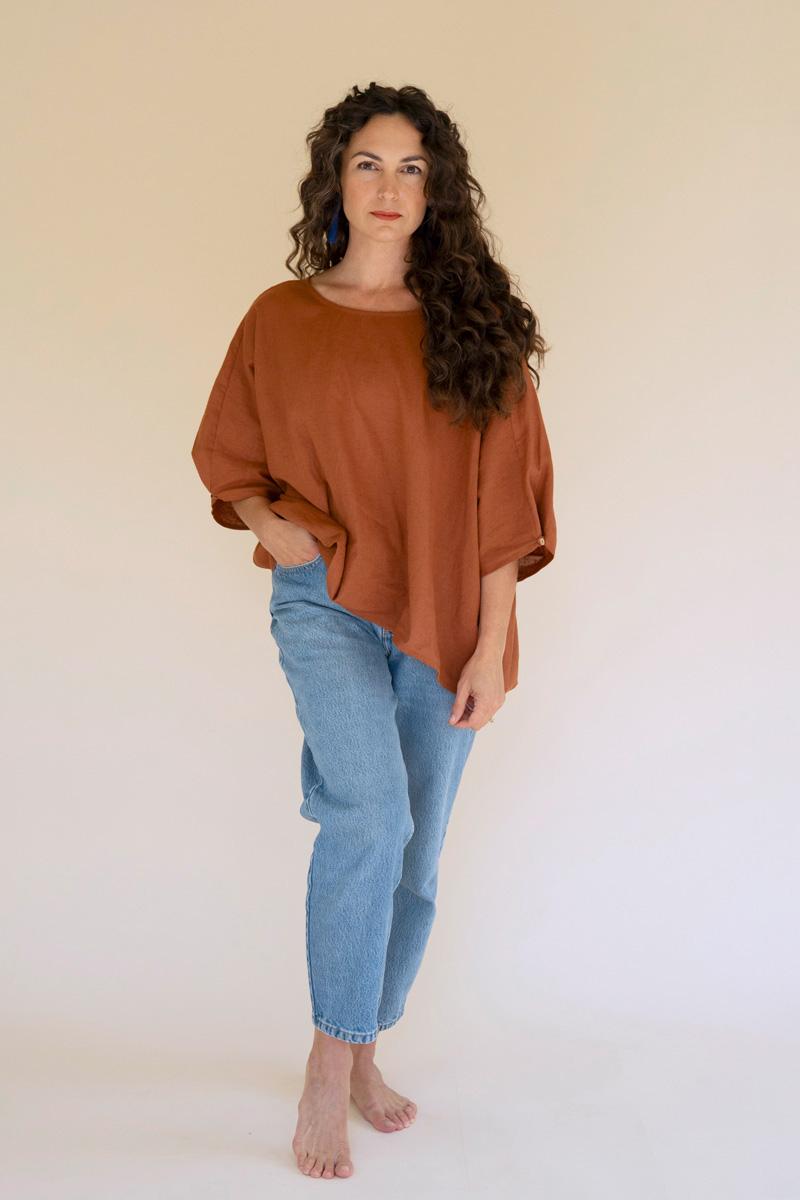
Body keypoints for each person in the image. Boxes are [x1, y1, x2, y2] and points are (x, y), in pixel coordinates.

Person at [191, 82, 557, 1181]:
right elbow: (228, 451)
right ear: (335, 182)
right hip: (324, 602)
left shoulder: (475, 328)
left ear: (435, 190)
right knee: (371, 815)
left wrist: (489, 645)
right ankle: (325, 1062)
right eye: (367, 163)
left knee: (417, 846)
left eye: (410, 167)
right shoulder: (280, 316)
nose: (388, 186)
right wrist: (274, 528)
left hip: (449, 616)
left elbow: (506, 507)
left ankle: (360, 1044)